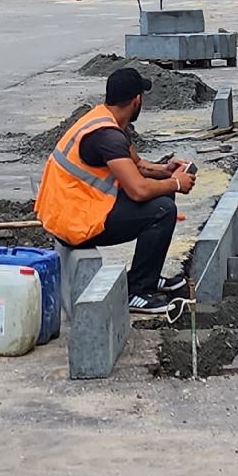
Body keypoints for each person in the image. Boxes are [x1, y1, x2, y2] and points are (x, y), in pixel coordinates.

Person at [34, 66, 198, 314]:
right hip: (75, 224)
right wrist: (176, 183)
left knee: (162, 193)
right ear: (137, 100)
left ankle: (147, 277)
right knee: (163, 209)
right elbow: (138, 191)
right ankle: (137, 292)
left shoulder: (104, 120)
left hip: (74, 209)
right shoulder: (108, 136)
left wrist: (165, 171)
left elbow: (137, 165)